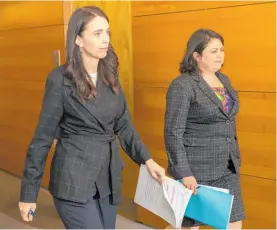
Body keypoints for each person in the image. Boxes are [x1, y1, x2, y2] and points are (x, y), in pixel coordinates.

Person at [18, 6, 166, 229]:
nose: (105, 39)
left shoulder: (110, 75)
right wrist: (29, 192)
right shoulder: (59, 80)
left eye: (107, 32)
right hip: (73, 179)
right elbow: (42, 138)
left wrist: (147, 160)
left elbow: (123, 125)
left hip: (106, 178)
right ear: (78, 39)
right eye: (97, 34)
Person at [164, 29, 245, 229]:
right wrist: (183, 172)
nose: (220, 55)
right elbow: (173, 132)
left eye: (222, 50)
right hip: (196, 169)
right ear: (197, 56)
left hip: (227, 165)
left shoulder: (224, 80)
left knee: (234, 222)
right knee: (188, 226)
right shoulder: (182, 85)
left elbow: (227, 119)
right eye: (214, 51)